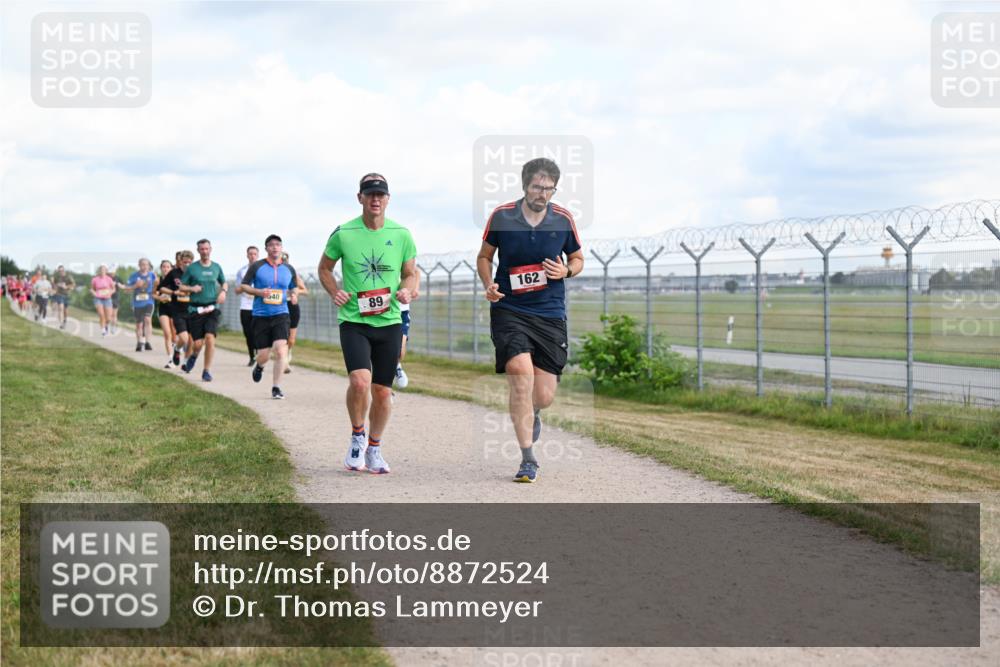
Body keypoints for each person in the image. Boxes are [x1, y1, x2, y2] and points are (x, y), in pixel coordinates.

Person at [476, 157, 585, 483]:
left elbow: (578, 258)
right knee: (519, 373)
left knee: (544, 394)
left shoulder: (563, 219)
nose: (543, 193)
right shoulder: (502, 216)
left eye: (549, 188)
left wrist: (566, 270)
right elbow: (484, 257)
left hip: (549, 312)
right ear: (525, 185)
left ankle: (533, 411)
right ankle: (528, 458)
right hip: (510, 309)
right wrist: (488, 284)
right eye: (538, 186)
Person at [318, 173, 418, 474]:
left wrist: (406, 289)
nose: (376, 199)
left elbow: (411, 272)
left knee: (383, 391)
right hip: (354, 319)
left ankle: (374, 448)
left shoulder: (401, 234)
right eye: (370, 193)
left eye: (381, 194)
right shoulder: (343, 233)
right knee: (359, 381)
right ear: (359, 197)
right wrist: (335, 291)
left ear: (388, 199)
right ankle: (357, 436)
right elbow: (324, 268)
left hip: (388, 321)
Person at [243, 235, 298, 399]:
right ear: (266, 248)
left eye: (278, 245)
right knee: (264, 355)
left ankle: (276, 387)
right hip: (260, 315)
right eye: (271, 245)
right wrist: (259, 292)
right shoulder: (257, 266)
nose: (275, 247)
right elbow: (244, 285)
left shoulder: (289, 269)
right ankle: (259, 365)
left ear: (281, 248)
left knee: (281, 351)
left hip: (281, 314)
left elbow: (293, 287)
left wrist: (294, 295)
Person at [178, 239, 228, 381]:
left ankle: (206, 371)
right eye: (202, 249)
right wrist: (192, 288)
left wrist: (223, 291)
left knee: (210, 338)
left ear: (210, 249)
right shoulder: (192, 268)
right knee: (198, 344)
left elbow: (223, 282)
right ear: (198, 250)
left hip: (212, 308)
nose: (205, 251)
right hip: (196, 309)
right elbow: (181, 286)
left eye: (207, 249)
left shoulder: (216, 267)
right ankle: (194, 356)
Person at [159, 251, 194, 367]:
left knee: (191, 340)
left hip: (192, 310)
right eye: (185, 262)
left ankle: (185, 363)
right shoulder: (174, 273)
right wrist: (174, 292)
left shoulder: (195, 274)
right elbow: (161, 288)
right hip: (178, 310)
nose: (187, 264)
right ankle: (177, 349)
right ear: (180, 262)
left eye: (189, 262)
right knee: (183, 338)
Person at [119, 258, 156, 352]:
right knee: (139, 324)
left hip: (149, 301)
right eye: (142, 264)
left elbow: (157, 286)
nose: (144, 266)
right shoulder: (133, 276)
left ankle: (147, 342)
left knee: (147, 319)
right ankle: (139, 342)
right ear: (139, 265)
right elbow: (126, 290)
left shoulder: (152, 275)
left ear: (148, 266)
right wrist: (135, 286)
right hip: (137, 303)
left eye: (146, 264)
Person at [282, 251, 309, 374]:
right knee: (281, 337)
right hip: (278, 307)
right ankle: (284, 362)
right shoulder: (274, 274)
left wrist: (296, 292)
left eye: (285, 259)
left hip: (292, 306)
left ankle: (288, 354)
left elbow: (305, 290)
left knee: (291, 339)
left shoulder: (293, 275)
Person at [234, 245, 260, 367]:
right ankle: (252, 357)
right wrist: (245, 287)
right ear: (247, 255)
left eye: (255, 254)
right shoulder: (242, 271)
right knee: (248, 333)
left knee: (258, 332)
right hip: (245, 306)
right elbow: (237, 290)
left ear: (258, 255)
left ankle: (259, 354)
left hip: (258, 306)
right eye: (250, 254)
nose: (252, 256)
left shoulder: (262, 269)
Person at [154, 260, 177, 368]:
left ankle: (177, 349)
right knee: (167, 333)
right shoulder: (158, 280)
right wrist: (159, 298)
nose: (165, 268)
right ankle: (170, 360)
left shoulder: (175, 280)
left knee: (174, 333)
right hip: (163, 308)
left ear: (171, 268)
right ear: (161, 268)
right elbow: (153, 294)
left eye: (168, 267)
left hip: (175, 308)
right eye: (163, 266)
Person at [90, 265, 116, 336]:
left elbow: (114, 289)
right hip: (98, 298)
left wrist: (110, 292)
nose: (102, 271)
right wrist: (94, 293)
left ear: (106, 271)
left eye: (104, 270)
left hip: (107, 299)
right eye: (101, 270)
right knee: (101, 315)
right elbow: (92, 288)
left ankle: (106, 325)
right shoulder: (95, 279)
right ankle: (103, 330)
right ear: (99, 271)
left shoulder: (109, 279)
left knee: (108, 318)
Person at [394, 301, 411, 388]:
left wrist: (413, 290)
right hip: (374, 312)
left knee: (399, 351)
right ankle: (386, 389)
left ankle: (396, 366)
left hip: (400, 310)